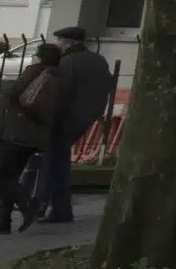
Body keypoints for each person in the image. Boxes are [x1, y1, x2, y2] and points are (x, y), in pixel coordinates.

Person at [0, 42, 62, 234]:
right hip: (33, 136)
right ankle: (3, 221)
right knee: (10, 177)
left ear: (39, 57)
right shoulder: (58, 76)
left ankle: (27, 205)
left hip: (16, 133)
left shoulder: (35, 71)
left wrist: (6, 86)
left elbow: (14, 95)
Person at [37, 27, 113, 223]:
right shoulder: (99, 61)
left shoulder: (67, 62)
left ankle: (44, 204)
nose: (57, 44)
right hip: (86, 117)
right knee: (58, 161)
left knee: (50, 163)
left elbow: (61, 93)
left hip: (63, 119)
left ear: (69, 43)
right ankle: (58, 208)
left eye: (60, 40)